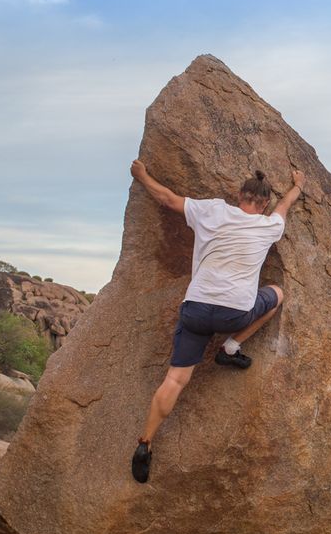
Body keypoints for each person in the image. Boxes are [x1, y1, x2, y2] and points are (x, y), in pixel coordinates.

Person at [128, 159, 304, 483]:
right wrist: (296, 185)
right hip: (233, 313)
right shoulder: (269, 226)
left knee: (175, 381)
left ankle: (145, 443)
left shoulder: (212, 211)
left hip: (195, 309)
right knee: (276, 294)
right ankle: (231, 347)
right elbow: (286, 205)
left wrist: (142, 176)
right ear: (264, 204)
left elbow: (167, 199)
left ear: (239, 195)